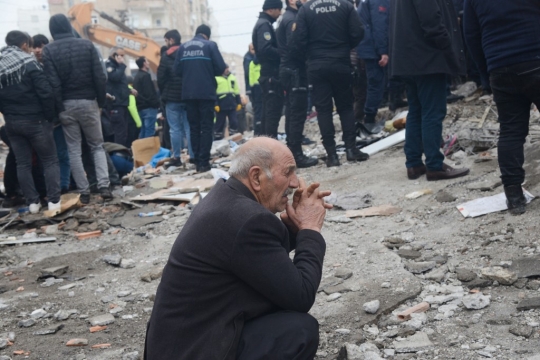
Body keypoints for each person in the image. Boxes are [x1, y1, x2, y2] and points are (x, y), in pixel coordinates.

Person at [145, 136, 331, 359]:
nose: (294, 182)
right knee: (298, 330)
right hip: (193, 350)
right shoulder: (247, 219)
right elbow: (301, 296)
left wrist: (293, 229)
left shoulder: (227, 198)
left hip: (181, 344)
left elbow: (255, 257)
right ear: (256, 177)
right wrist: (310, 230)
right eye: (288, 172)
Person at [463, 0, 540, 215]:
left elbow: (471, 35)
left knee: (511, 132)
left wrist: (486, 74)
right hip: (535, 56)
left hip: (500, 67)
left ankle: (514, 197)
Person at [389, 0, 470, 181]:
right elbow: (431, 21)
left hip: (409, 59)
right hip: (428, 58)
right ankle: (434, 165)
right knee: (432, 112)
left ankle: (414, 164)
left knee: (416, 111)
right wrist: (448, 48)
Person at [43, 14, 112, 204]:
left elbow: (53, 83)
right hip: (88, 101)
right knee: (97, 146)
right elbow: (100, 76)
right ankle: (104, 186)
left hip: (66, 105)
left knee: (74, 150)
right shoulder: (87, 45)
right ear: (68, 26)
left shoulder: (49, 50)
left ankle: (84, 191)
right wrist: (100, 101)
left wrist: (59, 109)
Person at [292, 0, 369, 167]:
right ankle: (350, 149)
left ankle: (332, 155)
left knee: (323, 110)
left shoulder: (305, 10)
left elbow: (299, 39)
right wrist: (345, 46)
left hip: (317, 65)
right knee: (346, 107)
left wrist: (310, 54)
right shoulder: (345, 5)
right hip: (340, 61)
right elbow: (358, 31)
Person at [0, 31, 61, 214]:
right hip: (36, 121)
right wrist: (49, 117)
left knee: (23, 163)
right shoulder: (29, 62)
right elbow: (45, 92)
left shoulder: (1, 65)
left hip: (12, 123)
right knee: (50, 160)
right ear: (25, 45)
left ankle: (33, 204)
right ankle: (54, 202)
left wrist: (8, 115)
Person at [174, 25, 227, 173]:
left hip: (188, 94)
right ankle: (204, 162)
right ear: (207, 35)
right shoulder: (210, 45)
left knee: (194, 127)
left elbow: (177, 71)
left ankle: (197, 160)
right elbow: (221, 67)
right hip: (206, 93)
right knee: (206, 127)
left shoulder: (183, 47)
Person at [277, 0, 318, 169]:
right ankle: (296, 154)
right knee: (297, 113)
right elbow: (295, 45)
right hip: (295, 70)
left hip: (289, 69)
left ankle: (292, 152)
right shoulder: (292, 18)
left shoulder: (287, 17)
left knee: (293, 111)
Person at [32, 34, 71, 194]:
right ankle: (50, 188)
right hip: (41, 120)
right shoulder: (31, 67)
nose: (38, 50)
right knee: (47, 157)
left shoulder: (54, 65)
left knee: (62, 153)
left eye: (41, 46)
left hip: (57, 117)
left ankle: (64, 185)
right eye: (35, 47)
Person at [158, 30, 193, 167]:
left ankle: (176, 157)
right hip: (187, 96)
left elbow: (160, 78)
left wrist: (164, 92)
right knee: (188, 127)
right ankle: (192, 155)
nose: (165, 44)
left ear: (171, 40)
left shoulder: (166, 57)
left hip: (171, 98)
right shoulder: (187, 53)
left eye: (166, 40)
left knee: (174, 128)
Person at [252, 0, 283, 138]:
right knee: (272, 112)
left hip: (269, 75)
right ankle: (271, 145)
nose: (280, 13)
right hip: (270, 74)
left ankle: (267, 144)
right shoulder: (264, 25)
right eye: (278, 9)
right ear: (270, 9)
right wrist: (283, 53)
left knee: (268, 112)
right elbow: (266, 49)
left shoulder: (265, 23)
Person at [357, 0, 389, 130]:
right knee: (376, 82)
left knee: (374, 82)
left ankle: (370, 115)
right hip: (373, 48)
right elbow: (379, 25)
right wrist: (383, 51)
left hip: (368, 46)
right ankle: (369, 119)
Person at [105, 46, 132, 147]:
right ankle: (118, 154)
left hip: (122, 103)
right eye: (121, 55)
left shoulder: (118, 67)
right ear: (114, 55)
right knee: (119, 132)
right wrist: (122, 66)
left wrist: (129, 90)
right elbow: (114, 78)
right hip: (115, 104)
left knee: (124, 131)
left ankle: (122, 152)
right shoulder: (109, 65)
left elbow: (119, 84)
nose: (122, 58)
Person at [133, 57, 160, 139]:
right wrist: (156, 103)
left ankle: (142, 149)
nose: (148, 62)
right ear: (144, 63)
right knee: (149, 131)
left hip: (141, 107)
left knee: (144, 130)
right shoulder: (146, 76)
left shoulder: (137, 76)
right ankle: (149, 150)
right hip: (149, 107)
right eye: (147, 61)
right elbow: (149, 93)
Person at [214, 66, 242, 140]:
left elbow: (236, 91)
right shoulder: (216, 78)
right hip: (221, 106)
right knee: (220, 124)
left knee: (234, 122)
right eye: (225, 68)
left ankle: (233, 139)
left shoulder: (232, 77)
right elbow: (213, 93)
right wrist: (215, 104)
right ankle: (217, 140)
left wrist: (239, 102)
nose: (227, 70)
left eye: (227, 68)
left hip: (232, 105)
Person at [249, 56, 264, 134]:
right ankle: (262, 131)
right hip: (264, 85)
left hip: (255, 89)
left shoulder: (251, 63)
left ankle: (257, 131)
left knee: (257, 110)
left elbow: (250, 78)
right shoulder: (264, 60)